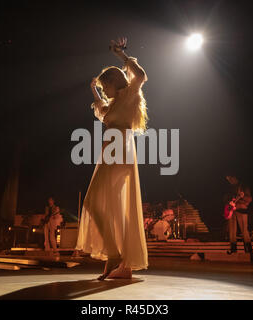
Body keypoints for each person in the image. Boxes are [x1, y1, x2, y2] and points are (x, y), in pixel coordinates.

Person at [75, 37, 148, 280]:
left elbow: (140, 76)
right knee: (108, 206)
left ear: (115, 82)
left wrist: (121, 55)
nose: (105, 91)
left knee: (94, 202)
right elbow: (101, 109)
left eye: (106, 86)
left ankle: (116, 256)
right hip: (110, 151)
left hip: (120, 150)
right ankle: (116, 259)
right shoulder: (115, 104)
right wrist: (94, 89)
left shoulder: (128, 96)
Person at [224, 175, 253, 254]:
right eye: (228, 179)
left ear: (234, 177)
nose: (229, 181)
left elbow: (249, 199)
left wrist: (243, 197)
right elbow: (225, 198)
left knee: (244, 231)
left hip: (242, 210)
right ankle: (233, 250)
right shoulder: (229, 188)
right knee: (232, 232)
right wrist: (229, 201)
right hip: (232, 211)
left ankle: (248, 251)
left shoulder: (243, 186)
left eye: (230, 178)